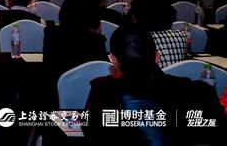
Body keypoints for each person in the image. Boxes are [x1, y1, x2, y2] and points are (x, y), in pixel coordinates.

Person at [85, 25, 225, 145]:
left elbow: (89, 132)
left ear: (114, 60)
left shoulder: (101, 92)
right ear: (157, 57)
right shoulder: (200, 93)